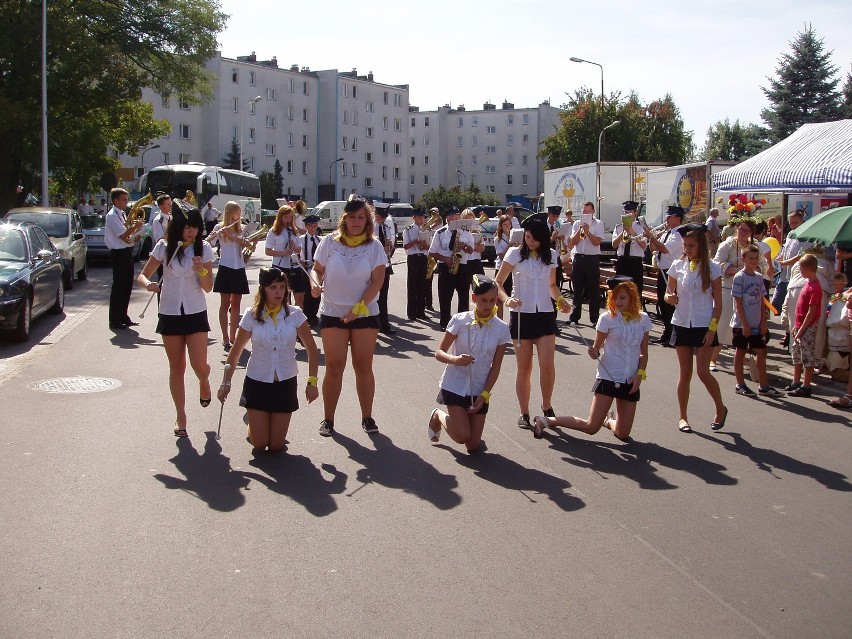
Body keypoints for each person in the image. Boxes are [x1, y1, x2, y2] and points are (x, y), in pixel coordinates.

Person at [534, 278, 651, 442]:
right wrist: (594, 352)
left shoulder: (643, 319)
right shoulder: (607, 319)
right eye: (614, 297)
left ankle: (609, 421)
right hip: (608, 376)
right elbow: (596, 349)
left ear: (632, 297)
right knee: (591, 427)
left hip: (630, 379)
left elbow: (643, 353)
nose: (617, 301)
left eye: (622, 297)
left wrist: (639, 375)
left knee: (623, 434)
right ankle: (546, 420)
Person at [218, 267, 320, 451]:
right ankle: (253, 423)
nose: (279, 292)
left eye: (282, 287)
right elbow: (235, 352)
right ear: (263, 289)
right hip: (257, 381)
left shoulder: (295, 314)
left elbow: (313, 350)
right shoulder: (251, 315)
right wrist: (226, 382)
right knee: (260, 444)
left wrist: (312, 383)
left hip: (285, 383)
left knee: (276, 446)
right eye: (273, 287)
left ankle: (265, 424)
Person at [136, 199, 214, 437]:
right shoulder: (164, 246)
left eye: (195, 226)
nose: (191, 230)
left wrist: (201, 269)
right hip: (169, 311)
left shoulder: (204, 248)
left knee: (199, 365)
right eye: (186, 226)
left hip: (195, 311)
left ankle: (204, 381)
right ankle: (181, 416)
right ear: (177, 226)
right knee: (176, 367)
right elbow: (142, 275)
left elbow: (209, 287)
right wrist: (148, 284)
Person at [310, 197, 386, 436]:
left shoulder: (374, 247)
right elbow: (317, 269)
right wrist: (314, 283)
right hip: (333, 312)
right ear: (344, 219)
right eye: (351, 217)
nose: (356, 222)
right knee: (334, 366)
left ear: (367, 220)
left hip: (364, 314)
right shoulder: (328, 243)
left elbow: (377, 282)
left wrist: (358, 309)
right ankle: (328, 419)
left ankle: (367, 417)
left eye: (361, 217)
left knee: (363, 366)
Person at [495, 214, 571, 429]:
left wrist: (561, 300)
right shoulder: (515, 254)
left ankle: (547, 406)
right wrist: (507, 299)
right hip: (521, 315)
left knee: (547, 365)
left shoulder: (552, 255)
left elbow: (552, 286)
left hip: (545, 315)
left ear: (543, 240)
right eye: (527, 237)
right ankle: (524, 412)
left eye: (534, 239)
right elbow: (498, 282)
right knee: (524, 368)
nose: (529, 241)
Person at [429, 275, 511, 454]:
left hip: (479, 388)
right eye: (483, 300)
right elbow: (439, 353)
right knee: (461, 436)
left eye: (492, 300)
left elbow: (496, 367)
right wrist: (455, 359)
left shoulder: (502, 328)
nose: (488, 305)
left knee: (472, 446)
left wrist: (485, 394)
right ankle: (438, 415)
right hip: (455, 384)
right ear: (474, 298)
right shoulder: (460, 320)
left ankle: (463, 423)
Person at [665, 223, 727, 433]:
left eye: (691, 245)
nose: (686, 249)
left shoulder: (713, 268)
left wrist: (712, 329)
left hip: (703, 324)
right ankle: (683, 416)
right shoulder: (677, 266)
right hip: (682, 323)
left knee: (703, 372)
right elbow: (668, 293)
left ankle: (720, 408)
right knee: (685, 373)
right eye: (685, 245)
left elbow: (718, 303)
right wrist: (670, 298)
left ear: (700, 245)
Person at [711, 218, 765, 371]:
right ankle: (713, 358)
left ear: (751, 233)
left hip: (749, 293)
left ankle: (741, 358)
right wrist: (734, 270)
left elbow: (764, 265)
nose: (742, 233)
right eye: (741, 229)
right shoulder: (727, 245)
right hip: (728, 289)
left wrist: (755, 268)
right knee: (722, 324)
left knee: (745, 326)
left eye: (746, 231)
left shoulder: (754, 247)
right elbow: (715, 264)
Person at [730, 244, 784, 398]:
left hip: (757, 322)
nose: (753, 261)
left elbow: (762, 301)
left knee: (761, 351)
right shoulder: (739, 277)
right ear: (744, 259)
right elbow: (738, 303)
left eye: (756, 258)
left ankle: (764, 385)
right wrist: (745, 324)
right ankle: (740, 384)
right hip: (742, 323)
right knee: (740, 351)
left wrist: (763, 322)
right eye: (750, 258)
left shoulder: (759, 277)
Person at [210, 201, 252, 351]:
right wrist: (213, 236)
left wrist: (231, 236)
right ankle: (225, 337)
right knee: (224, 304)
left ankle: (233, 335)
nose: (239, 216)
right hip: (225, 267)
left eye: (240, 213)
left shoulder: (240, 228)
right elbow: (209, 243)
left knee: (236, 305)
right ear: (230, 213)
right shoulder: (219, 227)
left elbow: (246, 244)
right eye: (237, 213)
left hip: (239, 268)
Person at [644, 205, 685, 345]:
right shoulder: (669, 233)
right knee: (663, 304)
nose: (666, 219)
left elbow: (665, 249)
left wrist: (652, 237)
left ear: (677, 218)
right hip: (664, 271)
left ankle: (673, 336)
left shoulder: (679, 234)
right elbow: (655, 248)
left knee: (670, 306)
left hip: (672, 273)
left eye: (669, 217)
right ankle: (667, 333)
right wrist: (652, 239)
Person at [429, 207, 474, 331]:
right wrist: (445, 259)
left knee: (464, 296)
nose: (457, 219)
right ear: (447, 218)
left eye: (458, 216)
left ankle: (462, 323)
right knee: (445, 296)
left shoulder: (466, 232)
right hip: (445, 266)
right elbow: (432, 252)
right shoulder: (440, 232)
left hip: (463, 266)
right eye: (454, 217)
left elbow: (471, 250)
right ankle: (445, 323)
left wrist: (464, 246)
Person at [105, 188, 143, 329]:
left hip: (126, 251)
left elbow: (127, 237)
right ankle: (114, 319)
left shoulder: (121, 214)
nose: (127, 203)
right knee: (119, 286)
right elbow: (122, 235)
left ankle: (123, 316)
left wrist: (135, 237)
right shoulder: (112, 215)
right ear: (116, 201)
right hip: (118, 253)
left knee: (127, 286)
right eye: (124, 200)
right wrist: (135, 227)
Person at [787, 254, 823, 397]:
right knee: (797, 354)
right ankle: (796, 381)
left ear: (807, 269)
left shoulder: (815, 287)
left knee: (807, 357)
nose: (800, 270)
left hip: (807, 326)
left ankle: (806, 386)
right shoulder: (807, 283)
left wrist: (802, 329)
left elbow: (811, 311)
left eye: (801, 268)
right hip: (800, 325)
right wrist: (797, 326)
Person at [773, 210, 810, 344]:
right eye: (791, 222)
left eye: (796, 222)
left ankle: (790, 335)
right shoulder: (790, 234)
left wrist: (785, 262)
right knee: (779, 306)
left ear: (802, 221)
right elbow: (784, 251)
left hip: (797, 277)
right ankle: (788, 331)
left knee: (791, 307)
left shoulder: (806, 235)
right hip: (784, 276)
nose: (793, 224)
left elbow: (801, 255)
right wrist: (777, 261)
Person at [567, 201, 604, 328]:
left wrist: (587, 232)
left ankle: (595, 319)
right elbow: (573, 242)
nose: (586, 213)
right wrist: (580, 230)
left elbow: (597, 242)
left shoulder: (598, 223)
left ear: (593, 212)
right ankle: (574, 317)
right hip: (578, 257)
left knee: (593, 289)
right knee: (577, 289)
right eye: (584, 211)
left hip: (592, 258)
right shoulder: (577, 223)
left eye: (588, 211)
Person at [265, 205, 304, 310]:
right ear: (280, 217)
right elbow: (267, 251)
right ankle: (285, 321)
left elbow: (299, 250)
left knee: (300, 296)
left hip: (295, 267)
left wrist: (294, 246)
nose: (288, 220)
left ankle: (298, 321)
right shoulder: (274, 231)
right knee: (284, 298)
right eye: (286, 217)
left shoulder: (294, 231)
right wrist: (283, 252)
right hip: (280, 266)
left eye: (290, 217)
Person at [612, 201, 648, 295]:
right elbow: (614, 245)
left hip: (635, 262)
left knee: (635, 291)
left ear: (635, 212)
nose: (627, 214)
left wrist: (633, 233)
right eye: (625, 212)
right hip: (622, 261)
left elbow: (644, 245)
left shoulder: (641, 227)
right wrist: (622, 232)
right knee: (621, 290)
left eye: (629, 212)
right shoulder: (619, 227)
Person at [402, 209, 430, 321]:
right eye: (419, 217)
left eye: (423, 217)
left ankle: (421, 311)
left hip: (423, 257)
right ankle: (411, 312)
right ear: (414, 218)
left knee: (423, 285)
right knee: (412, 285)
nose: (421, 220)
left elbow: (431, 246)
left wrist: (425, 244)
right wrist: (416, 241)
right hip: (413, 258)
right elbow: (405, 246)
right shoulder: (408, 230)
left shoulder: (427, 230)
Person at [374, 205, 397, 335]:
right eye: (380, 216)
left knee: (383, 296)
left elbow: (391, 246)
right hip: (373, 266)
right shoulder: (370, 229)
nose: (382, 219)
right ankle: (373, 323)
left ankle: (384, 325)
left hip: (385, 264)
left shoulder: (386, 228)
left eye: (384, 217)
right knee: (372, 297)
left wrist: (390, 248)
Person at [298, 214, 322, 325]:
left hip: (318, 272)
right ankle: (307, 316)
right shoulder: (301, 240)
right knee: (307, 295)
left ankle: (313, 315)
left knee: (317, 295)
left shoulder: (320, 240)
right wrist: (301, 261)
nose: (312, 228)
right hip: (305, 271)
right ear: (306, 227)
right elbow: (298, 254)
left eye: (315, 226)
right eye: (310, 226)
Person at [493, 214, 515, 319]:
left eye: (509, 224)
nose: (507, 227)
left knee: (512, 296)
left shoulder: (513, 235)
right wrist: (510, 245)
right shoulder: (498, 239)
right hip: (501, 268)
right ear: (501, 226)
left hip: (513, 269)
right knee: (500, 298)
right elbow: (502, 256)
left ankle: (513, 320)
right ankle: (499, 320)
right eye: (505, 224)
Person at [461, 208, 486, 277]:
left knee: (480, 285)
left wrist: (473, 246)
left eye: (471, 220)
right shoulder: (459, 231)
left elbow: (483, 248)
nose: (469, 222)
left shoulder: (477, 230)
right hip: (464, 261)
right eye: (466, 220)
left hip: (476, 260)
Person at [546, 205, 564, 290]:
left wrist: (561, 239)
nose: (555, 218)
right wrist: (552, 238)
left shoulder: (558, 226)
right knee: (547, 283)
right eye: (553, 216)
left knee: (557, 282)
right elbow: (541, 243)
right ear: (549, 215)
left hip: (556, 257)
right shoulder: (543, 226)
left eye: (557, 216)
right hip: (546, 257)